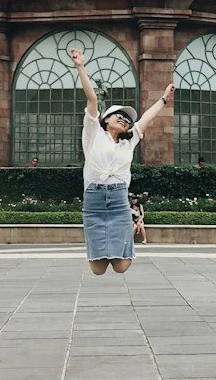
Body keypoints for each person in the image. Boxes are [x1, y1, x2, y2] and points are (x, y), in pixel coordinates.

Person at [71, 46, 173, 275]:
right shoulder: (93, 134)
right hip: (94, 202)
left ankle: (116, 246)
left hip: (118, 202)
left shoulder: (129, 142)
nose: (125, 120)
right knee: (97, 269)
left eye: (128, 119)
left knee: (122, 267)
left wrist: (164, 99)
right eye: (120, 116)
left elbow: (146, 118)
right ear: (106, 119)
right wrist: (80, 66)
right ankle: (104, 247)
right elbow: (92, 98)